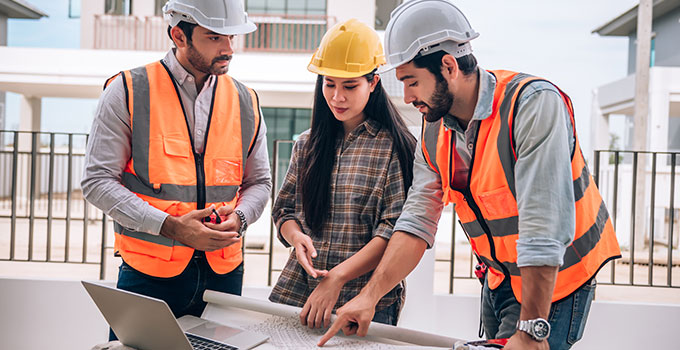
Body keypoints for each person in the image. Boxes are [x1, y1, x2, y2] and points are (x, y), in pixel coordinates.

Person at [319, 1, 621, 349]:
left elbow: (544, 224)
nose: (406, 96)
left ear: (448, 66)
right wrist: (369, 296)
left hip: (556, 282)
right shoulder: (434, 130)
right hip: (499, 280)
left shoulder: (532, 105)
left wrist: (532, 327)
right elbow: (416, 221)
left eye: (412, 81)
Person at [81, 0, 271, 339]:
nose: (228, 48)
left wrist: (240, 218)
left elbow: (259, 183)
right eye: (214, 37)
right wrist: (171, 227)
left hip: (224, 272)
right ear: (178, 35)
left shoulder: (246, 100)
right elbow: (97, 182)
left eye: (231, 37)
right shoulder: (127, 91)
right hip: (148, 274)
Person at [268, 19, 417, 329]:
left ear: (374, 83)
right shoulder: (307, 144)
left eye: (350, 86)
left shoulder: (395, 149)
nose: (337, 97)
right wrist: (297, 239)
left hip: (364, 302)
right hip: (300, 293)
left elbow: (392, 232)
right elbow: (284, 211)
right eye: (329, 84)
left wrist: (337, 277)